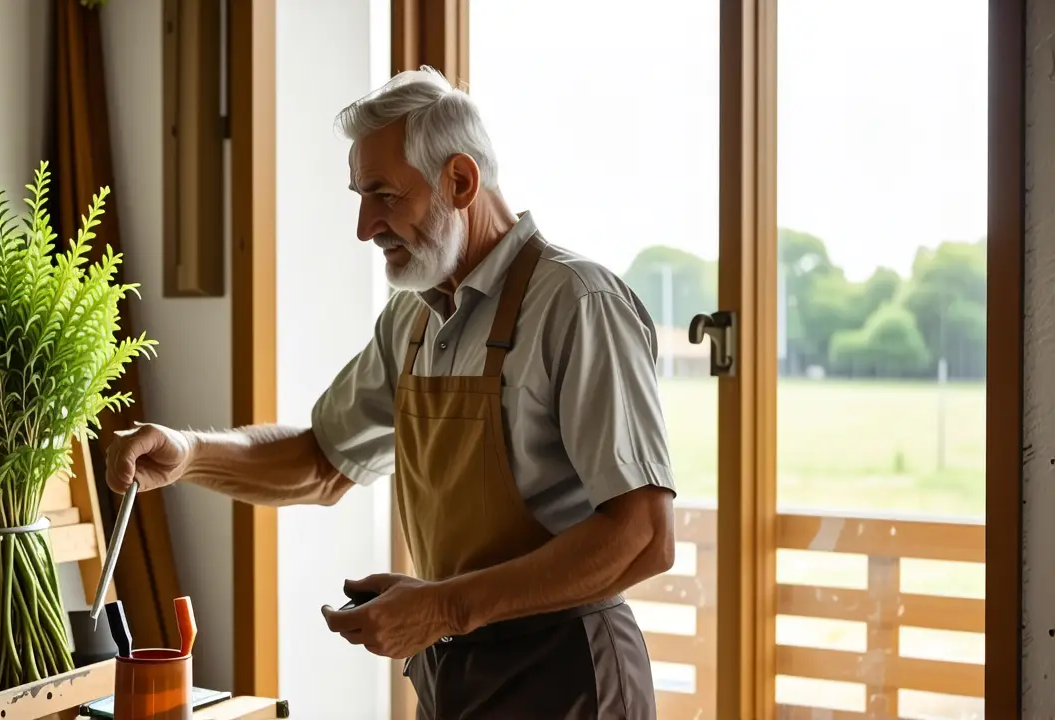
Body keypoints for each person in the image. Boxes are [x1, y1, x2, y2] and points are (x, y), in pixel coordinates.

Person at [105, 66, 676, 719]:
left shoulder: (577, 303)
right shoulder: (412, 319)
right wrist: (188, 454)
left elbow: (643, 535)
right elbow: (322, 461)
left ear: (459, 182)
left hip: (572, 679)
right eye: (360, 196)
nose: (364, 226)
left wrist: (442, 607)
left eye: (383, 194)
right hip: (453, 674)